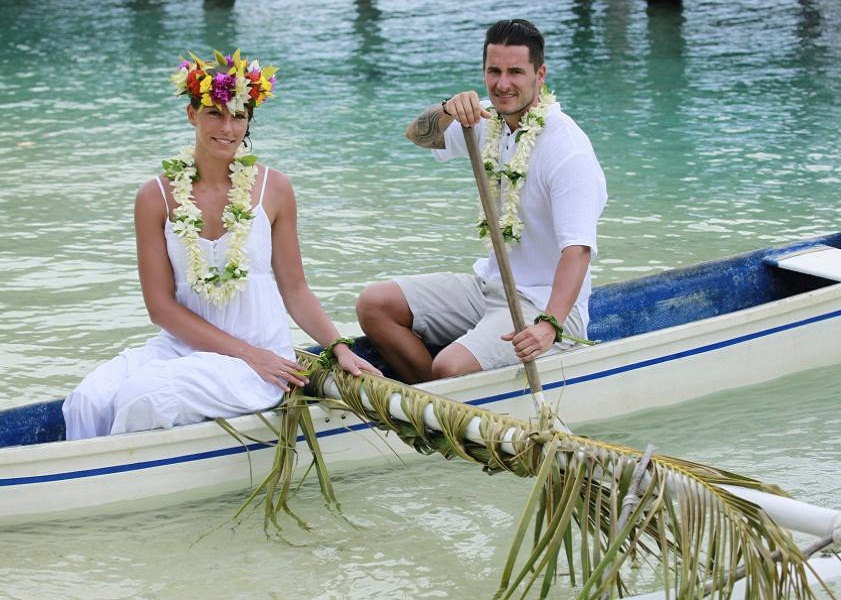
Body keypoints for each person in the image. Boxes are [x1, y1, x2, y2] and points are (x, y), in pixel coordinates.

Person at [63, 49, 379, 440]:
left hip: (261, 361)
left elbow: (295, 289)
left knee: (143, 396)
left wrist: (338, 348)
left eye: (239, 116)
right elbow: (160, 307)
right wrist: (243, 353)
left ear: (249, 121)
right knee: (87, 399)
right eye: (215, 112)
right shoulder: (154, 197)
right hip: (181, 348)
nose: (228, 128)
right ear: (192, 114)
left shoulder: (274, 189)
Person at [356, 19, 607, 384]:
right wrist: (446, 109)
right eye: (494, 71)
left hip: (543, 306)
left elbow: (578, 251)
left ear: (540, 74)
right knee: (374, 304)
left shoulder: (568, 151)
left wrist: (549, 325)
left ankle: (443, 393)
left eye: (515, 72)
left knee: (450, 367)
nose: (503, 83)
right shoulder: (487, 120)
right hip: (489, 286)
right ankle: (436, 399)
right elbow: (417, 136)